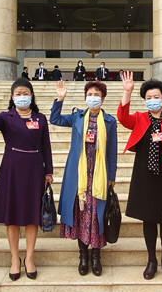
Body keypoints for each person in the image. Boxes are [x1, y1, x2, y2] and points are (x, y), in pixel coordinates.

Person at [0, 79, 53, 281]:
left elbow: (46, 145)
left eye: (25, 93)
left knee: (32, 215)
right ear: (12, 97)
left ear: (32, 95)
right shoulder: (6, 116)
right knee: (12, 215)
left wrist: (49, 171)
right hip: (12, 168)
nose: (22, 96)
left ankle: (29, 257)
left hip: (35, 169)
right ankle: (14, 258)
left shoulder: (40, 118)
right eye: (18, 93)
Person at [117, 71, 162, 282]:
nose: (152, 100)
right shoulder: (139, 118)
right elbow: (122, 118)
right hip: (145, 176)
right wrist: (127, 92)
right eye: (148, 97)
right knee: (148, 220)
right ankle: (151, 260)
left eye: (156, 97)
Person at [50, 80, 118, 277]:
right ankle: (83, 256)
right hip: (79, 175)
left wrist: (111, 176)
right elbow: (54, 119)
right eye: (89, 94)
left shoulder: (110, 121)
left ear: (103, 98)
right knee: (80, 215)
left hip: (99, 175)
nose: (93, 97)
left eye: (97, 94)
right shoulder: (77, 117)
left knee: (96, 215)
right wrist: (60, 99)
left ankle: (96, 256)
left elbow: (112, 151)